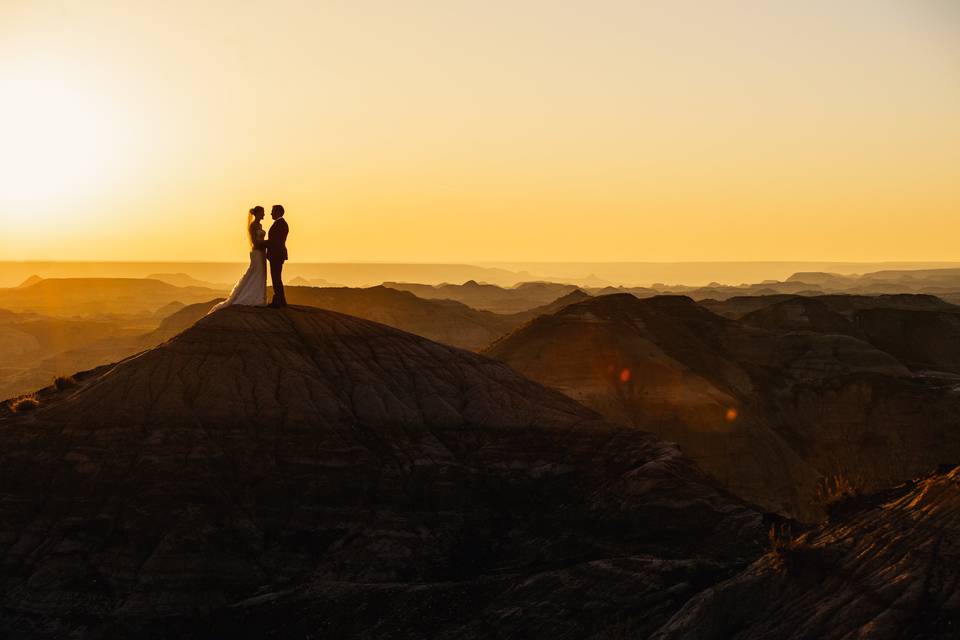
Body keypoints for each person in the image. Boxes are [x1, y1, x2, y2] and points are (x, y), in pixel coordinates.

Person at [208, 206, 268, 313]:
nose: (264, 214)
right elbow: (255, 241)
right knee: (255, 273)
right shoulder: (253, 225)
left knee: (260, 274)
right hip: (257, 252)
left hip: (262, 252)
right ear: (258, 213)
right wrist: (267, 243)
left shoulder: (259, 225)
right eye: (263, 212)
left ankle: (258, 296)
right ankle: (251, 297)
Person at [266, 204, 289, 308]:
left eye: (273, 211)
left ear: (278, 212)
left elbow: (275, 241)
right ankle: (280, 300)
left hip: (276, 254)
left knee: (276, 277)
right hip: (277, 254)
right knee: (276, 277)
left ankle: (278, 301)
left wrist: (261, 244)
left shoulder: (280, 224)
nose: (271, 213)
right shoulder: (281, 223)